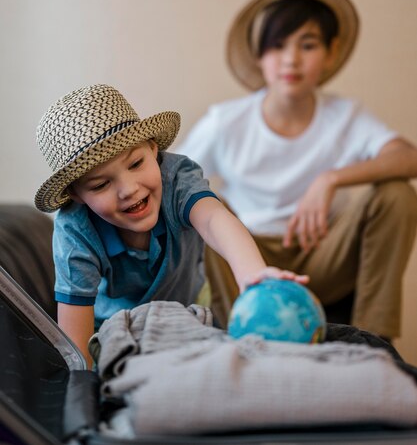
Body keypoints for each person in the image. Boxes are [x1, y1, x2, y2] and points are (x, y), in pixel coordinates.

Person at [177, 0, 417, 339]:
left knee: (396, 194)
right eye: (277, 46)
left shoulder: (346, 115)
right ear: (259, 57)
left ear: (331, 51)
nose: (291, 59)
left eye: (308, 45)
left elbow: (408, 158)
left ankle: (372, 343)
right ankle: (234, 338)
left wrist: (331, 179)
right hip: (249, 258)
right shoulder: (226, 121)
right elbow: (173, 180)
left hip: (322, 255)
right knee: (203, 204)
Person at [35, 83, 307, 367]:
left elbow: (214, 219)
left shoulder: (176, 178)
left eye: (136, 163)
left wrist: (253, 273)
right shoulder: (74, 230)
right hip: (115, 330)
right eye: (102, 184)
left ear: (153, 149)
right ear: (77, 195)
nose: (128, 189)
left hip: (188, 313)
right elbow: (75, 350)